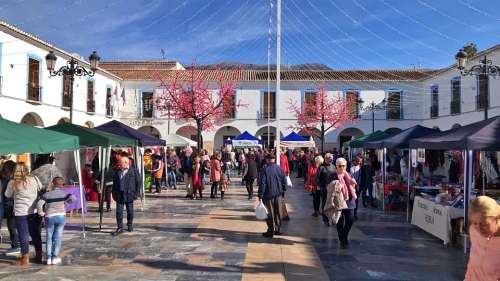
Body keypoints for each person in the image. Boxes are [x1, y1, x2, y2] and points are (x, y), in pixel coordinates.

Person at [5, 162, 44, 265]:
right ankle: (39, 255)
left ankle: (25, 258)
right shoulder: (35, 179)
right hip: (34, 211)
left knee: (23, 235)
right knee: (35, 233)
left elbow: (7, 195)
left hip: (20, 212)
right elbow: (41, 189)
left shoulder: (13, 182)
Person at [37, 177, 76, 265]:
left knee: (49, 238)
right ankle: (55, 257)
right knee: (57, 237)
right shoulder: (64, 193)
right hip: (61, 216)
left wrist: (41, 213)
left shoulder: (47, 195)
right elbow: (74, 198)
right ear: (62, 185)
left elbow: (39, 204)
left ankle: (48, 258)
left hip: (49, 216)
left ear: (52, 184)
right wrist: (65, 203)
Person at [465, 196, 500, 280]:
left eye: (484, 224)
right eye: (474, 223)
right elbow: (472, 266)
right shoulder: (474, 231)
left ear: (497, 218)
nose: (479, 229)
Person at [328, 157, 358, 248]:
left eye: (343, 166)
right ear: (336, 166)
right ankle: (342, 240)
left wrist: (355, 183)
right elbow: (328, 189)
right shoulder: (333, 176)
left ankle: (344, 236)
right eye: (339, 166)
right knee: (339, 222)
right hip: (338, 203)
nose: (342, 168)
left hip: (350, 202)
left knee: (351, 219)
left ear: (346, 166)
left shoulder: (350, 175)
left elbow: (357, 189)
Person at [258, 153, 287, 238]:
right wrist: (282, 190)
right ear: (274, 159)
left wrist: (260, 195)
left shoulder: (265, 170)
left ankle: (270, 230)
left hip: (268, 195)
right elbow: (284, 181)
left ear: (267, 160)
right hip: (278, 194)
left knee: (269, 213)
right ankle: (278, 229)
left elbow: (262, 184)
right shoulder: (280, 169)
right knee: (278, 212)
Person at [111, 156, 142, 236]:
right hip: (119, 194)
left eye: (120, 162)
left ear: (126, 163)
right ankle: (120, 227)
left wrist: (136, 193)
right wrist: (114, 193)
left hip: (129, 194)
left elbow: (138, 183)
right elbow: (115, 183)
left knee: (130, 211)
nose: (118, 164)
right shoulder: (117, 171)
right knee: (119, 211)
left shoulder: (134, 171)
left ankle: (129, 224)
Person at [1, 160, 20, 256]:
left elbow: (8, 194)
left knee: (12, 226)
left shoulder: (11, 179)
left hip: (10, 205)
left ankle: (15, 246)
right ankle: (16, 245)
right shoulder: (10, 178)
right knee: (12, 226)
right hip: (9, 204)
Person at [315, 153, 336, 227]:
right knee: (325, 204)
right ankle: (325, 219)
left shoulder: (334, 167)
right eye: (330, 158)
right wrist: (321, 187)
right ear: (326, 159)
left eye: (332, 158)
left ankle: (333, 219)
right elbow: (317, 179)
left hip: (333, 190)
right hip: (324, 190)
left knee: (334, 204)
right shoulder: (321, 167)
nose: (332, 159)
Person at [350, 155, 362, 220]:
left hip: (357, 186)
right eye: (359, 162)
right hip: (350, 186)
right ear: (355, 161)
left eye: (360, 162)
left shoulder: (360, 166)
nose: (359, 163)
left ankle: (354, 214)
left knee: (356, 201)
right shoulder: (349, 165)